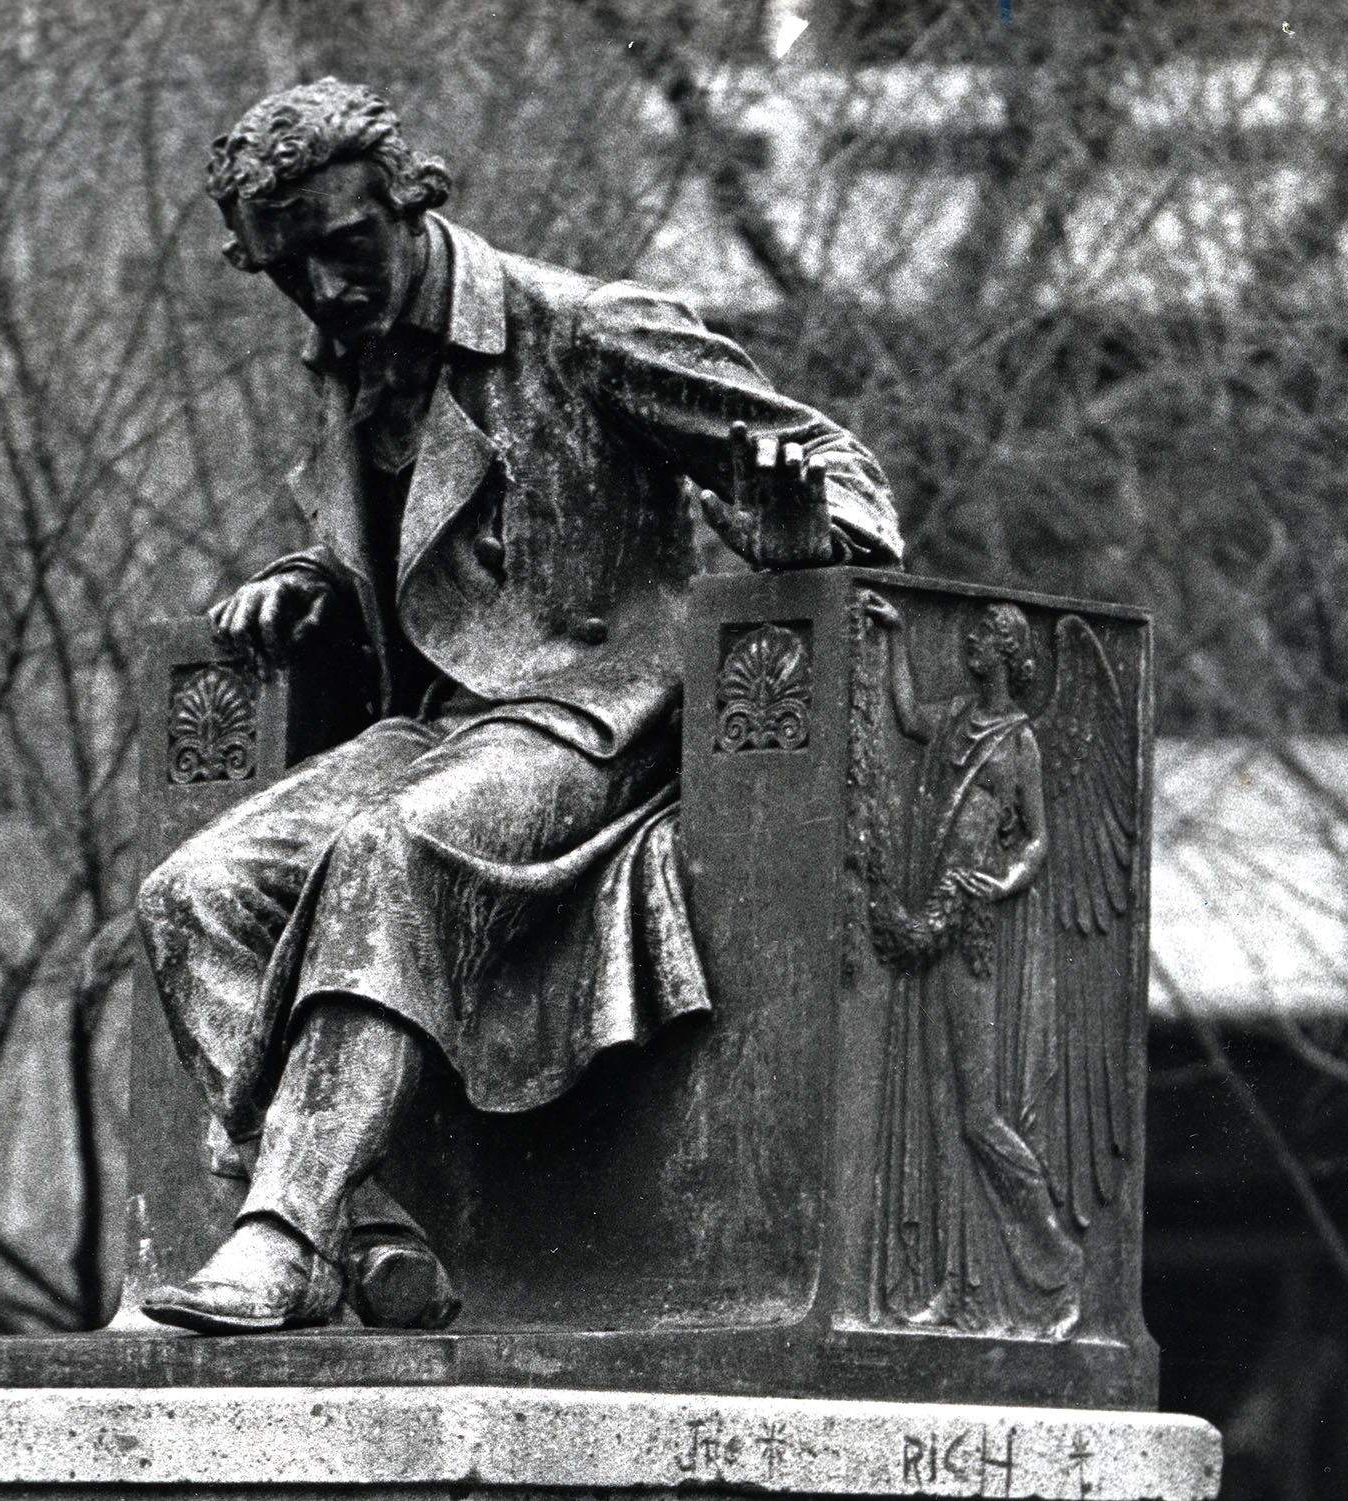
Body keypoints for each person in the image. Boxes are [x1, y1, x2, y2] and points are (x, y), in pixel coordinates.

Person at [132, 78, 901, 1334]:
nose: (325, 290)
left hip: (593, 718)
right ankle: (364, 1229)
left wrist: (808, 529)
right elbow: (426, 556)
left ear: (408, 197)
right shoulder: (352, 355)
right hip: (436, 728)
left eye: (344, 247)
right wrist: (303, 578)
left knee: (391, 851)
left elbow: (834, 463)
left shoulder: (584, 326)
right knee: (192, 895)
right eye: (288, 270)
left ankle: (276, 1235)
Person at [861, 597, 1082, 1338]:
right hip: (933, 926)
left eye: (980, 641)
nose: (967, 649)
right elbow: (905, 713)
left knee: (979, 1116)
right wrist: (893, 637)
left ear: (1005, 650)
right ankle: (958, 1289)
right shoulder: (954, 719)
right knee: (944, 1112)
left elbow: (1038, 841)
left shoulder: (1019, 742)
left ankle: (1053, 1254)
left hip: (974, 929)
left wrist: (1008, 880)